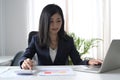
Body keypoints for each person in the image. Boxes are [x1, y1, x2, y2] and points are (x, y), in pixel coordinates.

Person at [19, 4, 102, 70]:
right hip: (43, 77)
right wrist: (24, 62)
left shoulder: (68, 40)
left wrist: (88, 62)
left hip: (62, 76)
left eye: (58, 21)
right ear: (45, 22)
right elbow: (25, 56)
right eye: (51, 21)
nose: (55, 25)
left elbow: (78, 62)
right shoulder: (36, 39)